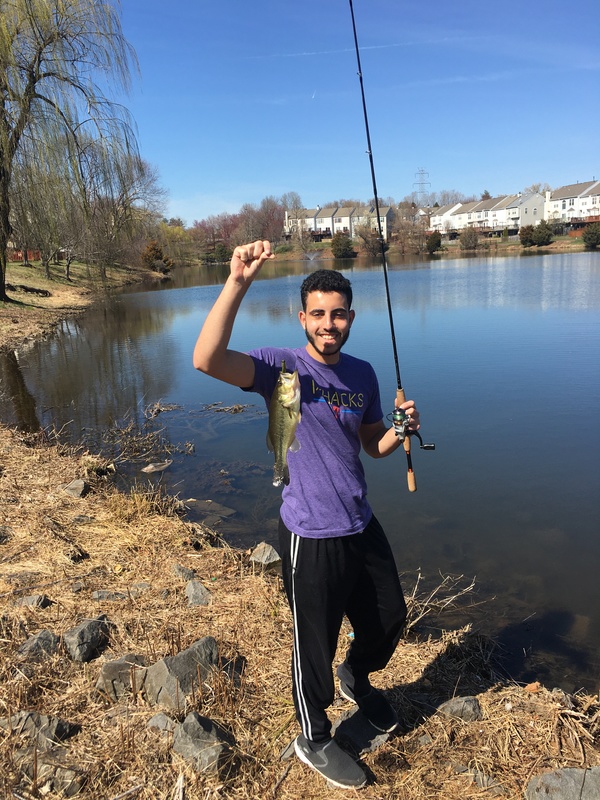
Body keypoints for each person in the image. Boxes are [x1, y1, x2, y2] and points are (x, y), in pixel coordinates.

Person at [193, 240, 420, 789]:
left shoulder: (362, 374)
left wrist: (399, 427)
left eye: (338, 314)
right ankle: (313, 736)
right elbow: (206, 359)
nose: (328, 323)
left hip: (360, 523)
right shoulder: (280, 368)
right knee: (311, 643)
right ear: (302, 318)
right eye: (317, 314)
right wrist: (237, 283)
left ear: (350, 318)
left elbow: (371, 445)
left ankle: (356, 675)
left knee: (390, 616)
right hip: (309, 533)